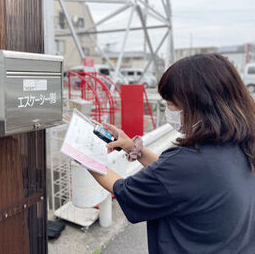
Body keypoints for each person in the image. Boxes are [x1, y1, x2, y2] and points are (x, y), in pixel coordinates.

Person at [89, 54, 255, 253]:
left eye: (170, 103)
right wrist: (134, 149)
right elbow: (177, 178)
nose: (168, 109)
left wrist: (85, 157)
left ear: (196, 103)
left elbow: (126, 190)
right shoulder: (241, 143)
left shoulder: (189, 162)